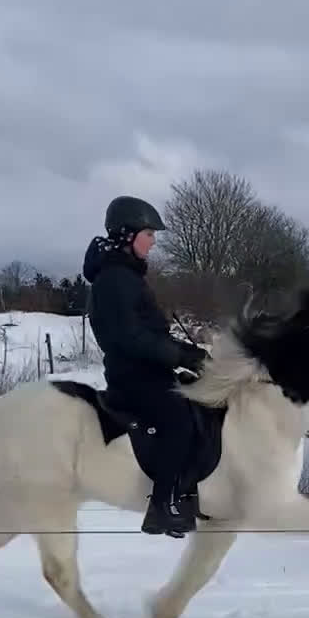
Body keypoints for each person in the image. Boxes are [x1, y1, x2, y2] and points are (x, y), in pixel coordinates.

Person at [83, 196, 206, 536]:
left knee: (198, 406)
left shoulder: (127, 276)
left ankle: (189, 494)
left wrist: (190, 353)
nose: (153, 241)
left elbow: (151, 334)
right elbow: (130, 338)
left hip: (148, 371)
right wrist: (180, 357)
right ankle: (161, 507)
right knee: (178, 419)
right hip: (133, 378)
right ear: (127, 235)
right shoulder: (115, 279)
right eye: (149, 233)